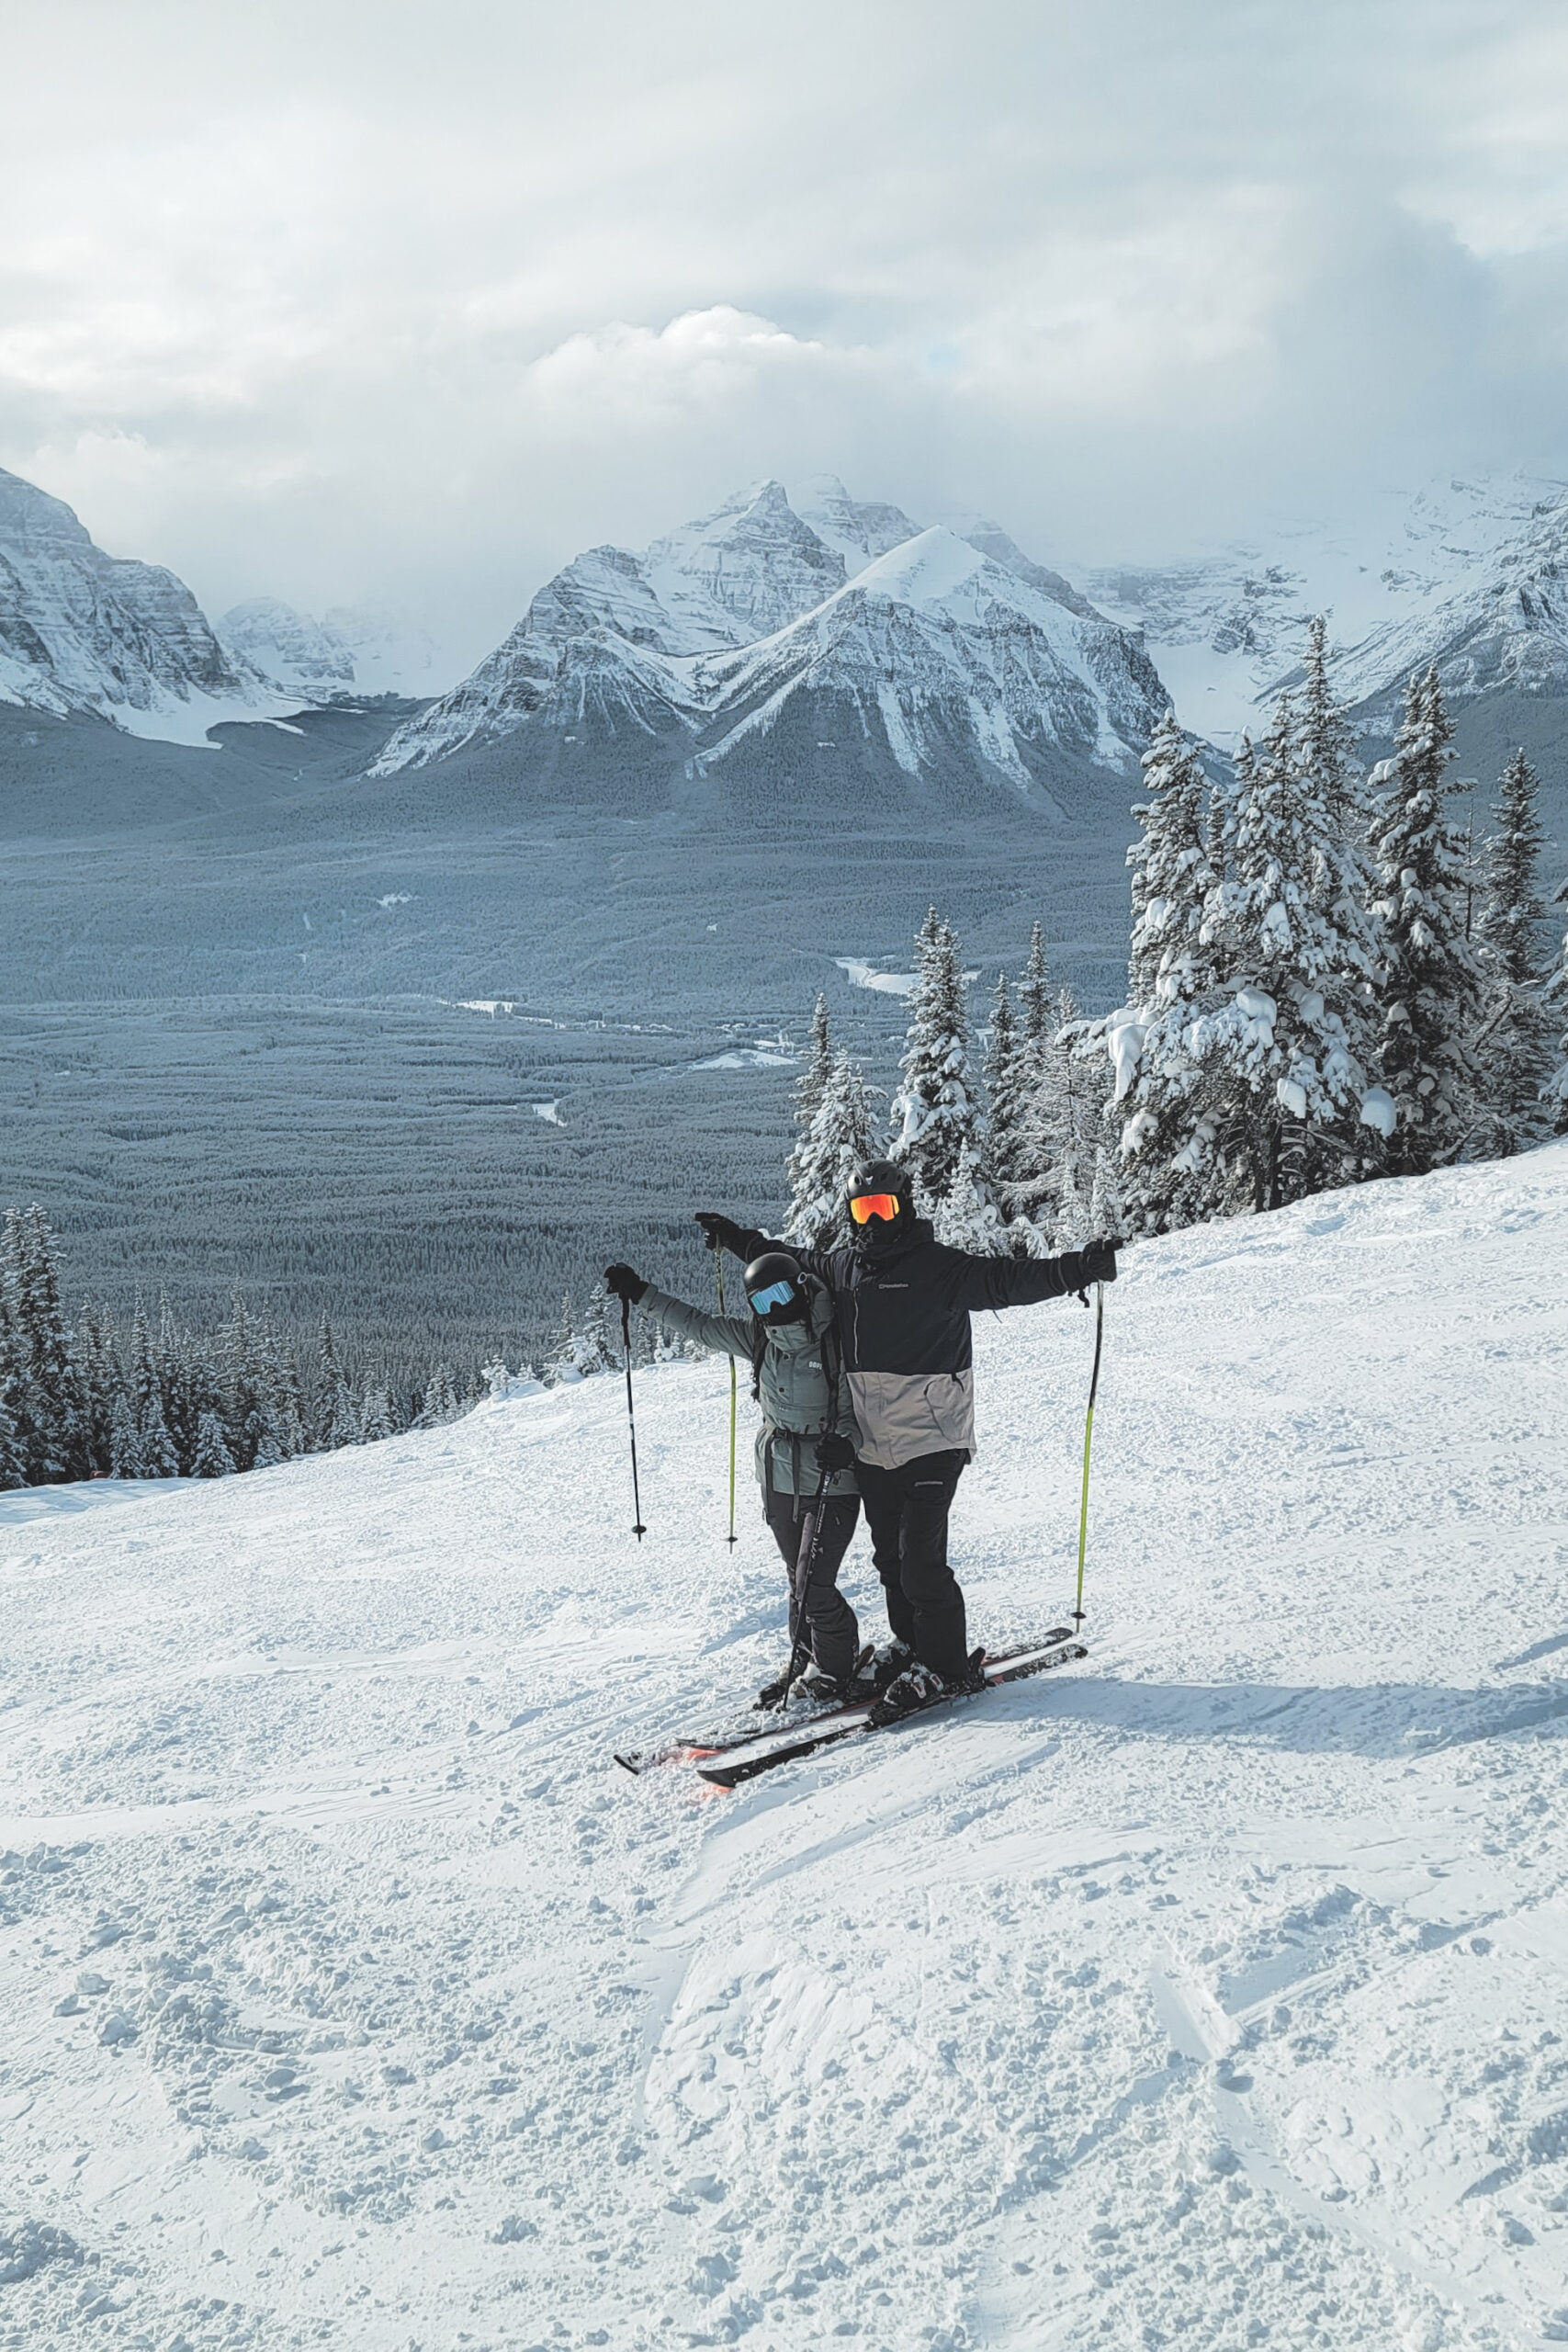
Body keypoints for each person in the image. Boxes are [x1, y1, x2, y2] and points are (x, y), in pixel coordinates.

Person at [694, 1159, 1118, 1723]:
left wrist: (1075, 1270)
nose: (872, 1222)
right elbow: (792, 1260)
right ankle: (911, 1643)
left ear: (905, 1207)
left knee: (921, 1560)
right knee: (890, 1557)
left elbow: (1005, 1281)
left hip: (934, 1436)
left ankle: (945, 1665)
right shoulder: (845, 1268)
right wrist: (736, 1241)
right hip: (874, 1443)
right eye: (862, 1210)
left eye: (883, 1208)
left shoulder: (938, 1268)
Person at [604, 1250, 867, 1702]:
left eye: (780, 1295)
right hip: (779, 1474)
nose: (773, 1309)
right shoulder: (760, 1338)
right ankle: (803, 1660)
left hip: (832, 1476)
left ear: (802, 1288)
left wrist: (845, 1441)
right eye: (761, 1303)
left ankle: (836, 1669)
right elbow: (699, 1325)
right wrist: (641, 1293)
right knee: (796, 1578)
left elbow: (858, 1410)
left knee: (812, 1583)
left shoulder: (836, 1341)